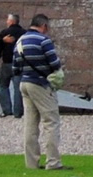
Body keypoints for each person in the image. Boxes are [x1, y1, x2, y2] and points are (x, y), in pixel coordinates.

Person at [12, 12, 63, 170]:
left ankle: (31, 163)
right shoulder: (44, 40)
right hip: (40, 84)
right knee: (51, 122)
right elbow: (55, 64)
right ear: (44, 26)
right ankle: (53, 162)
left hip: (24, 83)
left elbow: (15, 68)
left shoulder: (20, 41)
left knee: (30, 125)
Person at [0, 15, 22, 119]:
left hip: (7, 63)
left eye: (7, 20)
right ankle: (18, 112)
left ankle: (6, 110)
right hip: (19, 63)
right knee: (18, 88)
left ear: (11, 21)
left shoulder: (4, 33)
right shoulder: (23, 33)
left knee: (3, 86)